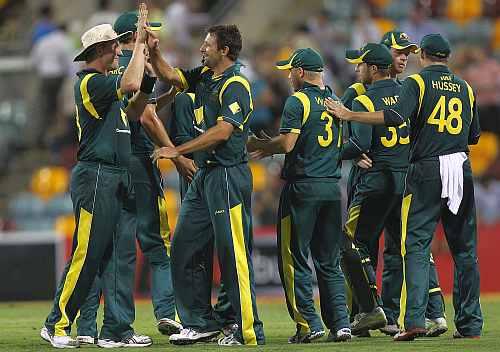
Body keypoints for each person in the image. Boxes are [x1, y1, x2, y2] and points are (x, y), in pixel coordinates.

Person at [326, 33, 483, 341]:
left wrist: (350, 114)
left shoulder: (417, 83)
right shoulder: (465, 87)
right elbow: (474, 135)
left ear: (422, 54)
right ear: (447, 57)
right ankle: (469, 325)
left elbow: (395, 116)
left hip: (426, 168)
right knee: (465, 250)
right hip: (461, 166)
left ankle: (414, 321)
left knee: (414, 245)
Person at [74, 10, 195, 347]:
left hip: (109, 166)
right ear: (134, 36)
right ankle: (165, 310)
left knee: (100, 250)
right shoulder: (126, 68)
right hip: (134, 164)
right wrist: (178, 153)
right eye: (149, 33)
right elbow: (147, 116)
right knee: (153, 244)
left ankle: (88, 326)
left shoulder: (111, 72)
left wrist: (162, 92)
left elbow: (141, 105)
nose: (155, 38)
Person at [40, 3, 153, 348]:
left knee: (118, 256)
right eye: (116, 46)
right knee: (87, 253)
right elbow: (130, 81)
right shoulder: (90, 83)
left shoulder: (106, 87)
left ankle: (115, 330)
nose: (120, 50)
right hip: (97, 175)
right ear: (101, 51)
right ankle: (56, 324)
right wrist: (142, 46)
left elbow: (134, 111)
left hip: (115, 175)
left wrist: (147, 75)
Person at [149, 24, 265, 346]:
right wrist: (155, 51)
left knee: (233, 254)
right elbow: (171, 77)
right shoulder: (204, 77)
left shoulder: (236, 83)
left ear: (224, 50)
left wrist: (179, 149)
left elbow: (223, 132)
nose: (202, 48)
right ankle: (200, 323)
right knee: (184, 245)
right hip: (206, 176)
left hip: (227, 173)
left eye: (207, 44)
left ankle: (246, 328)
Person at [247, 48, 351, 343]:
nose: (288, 76)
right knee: (329, 260)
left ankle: (309, 323)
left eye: (290, 70)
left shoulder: (298, 100)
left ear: (301, 72)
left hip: (303, 187)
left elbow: (289, 143)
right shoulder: (335, 99)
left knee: (294, 258)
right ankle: (341, 324)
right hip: (332, 188)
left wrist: (264, 146)